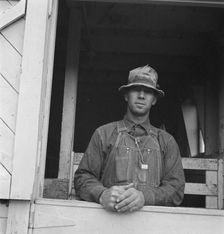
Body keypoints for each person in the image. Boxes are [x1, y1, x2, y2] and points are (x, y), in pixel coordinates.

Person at [74, 65, 185, 213]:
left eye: (148, 91)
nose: (141, 95)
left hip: (153, 224)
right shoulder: (103, 134)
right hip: (108, 221)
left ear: (154, 100)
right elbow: (83, 177)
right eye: (136, 89)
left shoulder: (167, 141)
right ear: (126, 95)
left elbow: (176, 189)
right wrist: (101, 194)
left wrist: (144, 197)